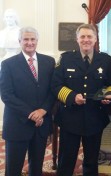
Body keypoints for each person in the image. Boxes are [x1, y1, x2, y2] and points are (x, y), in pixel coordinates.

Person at [51, 24, 111, 176]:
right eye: (83, 37)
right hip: (70, 118)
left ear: (95, 39)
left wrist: (106, 95)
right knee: (66, 160)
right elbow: (55, 84)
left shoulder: (105, 60)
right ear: (77, 39)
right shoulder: (66, 58)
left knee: (91, 161)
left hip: (95, 118)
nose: (86, 40)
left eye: (89, 37)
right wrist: (72, 96)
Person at [0, 27, 55, 176]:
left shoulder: (49, 62)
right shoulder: (8, 64)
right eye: (26, 39)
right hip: (18, 124)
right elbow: (6, 95)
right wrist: (31, 113)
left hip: (41, 124)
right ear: (20, 41)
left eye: (33, 39)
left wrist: (42, 111)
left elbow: (53, 91)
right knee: (13, 168)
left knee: (36, 168)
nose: (29, 43)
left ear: (37, 41)